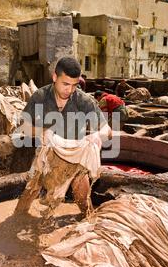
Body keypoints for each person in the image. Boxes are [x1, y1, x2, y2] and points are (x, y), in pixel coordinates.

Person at [14, 57, 112, 216]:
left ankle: (88, 225)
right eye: (65, 84)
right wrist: (41, 132)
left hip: (76, 156)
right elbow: (23, 127)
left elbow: (107, 130)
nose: (70, 89)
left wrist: (97, 135)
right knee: (29, 192)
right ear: (55, 77)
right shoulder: (40, 97)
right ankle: (16, 220)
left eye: (74, 85)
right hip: (47, 154)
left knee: (83, 199)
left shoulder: (84, 101)